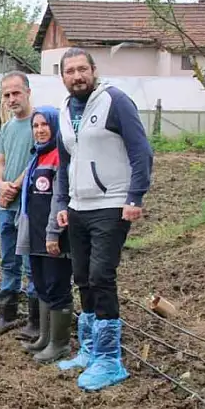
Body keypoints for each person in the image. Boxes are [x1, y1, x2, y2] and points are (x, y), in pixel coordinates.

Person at [53, 48, 153, 391]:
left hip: (112, 204)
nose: (77, 76)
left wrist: (135, 196)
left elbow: (141, 150)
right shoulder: (65, 111)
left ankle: (110, 360)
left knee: (101, 275)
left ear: (93, 71)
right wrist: (64, 202)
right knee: (81, 276)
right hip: (79, 206)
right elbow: (66, 161)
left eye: (83, 69)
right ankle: (91, 350)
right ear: (63, 76)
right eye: (70, 71)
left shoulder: (115, 101)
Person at [14, 107, 73, 363]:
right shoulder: (37, 157)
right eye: (35, 126)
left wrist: (54, 233)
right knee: (41, 285)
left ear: (56, 126)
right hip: (35, 234)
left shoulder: (60, 157)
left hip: (55, 235)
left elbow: (60, 199)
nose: (39, 130)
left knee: (56, 285)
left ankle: (60, 343)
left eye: (44, 125)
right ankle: (45, 337)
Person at [0, 72, 37, 336]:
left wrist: (15, 186)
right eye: (7, 95)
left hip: (28, 205)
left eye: (16, 93)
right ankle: (8, 314)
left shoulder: (39, 123)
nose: (11, 99)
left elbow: (35, 161)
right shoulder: (7, 128)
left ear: (28, 91)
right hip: (6, 203)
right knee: (8, 261)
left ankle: (34, 319)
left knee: (30, 262)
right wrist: (0, 184)